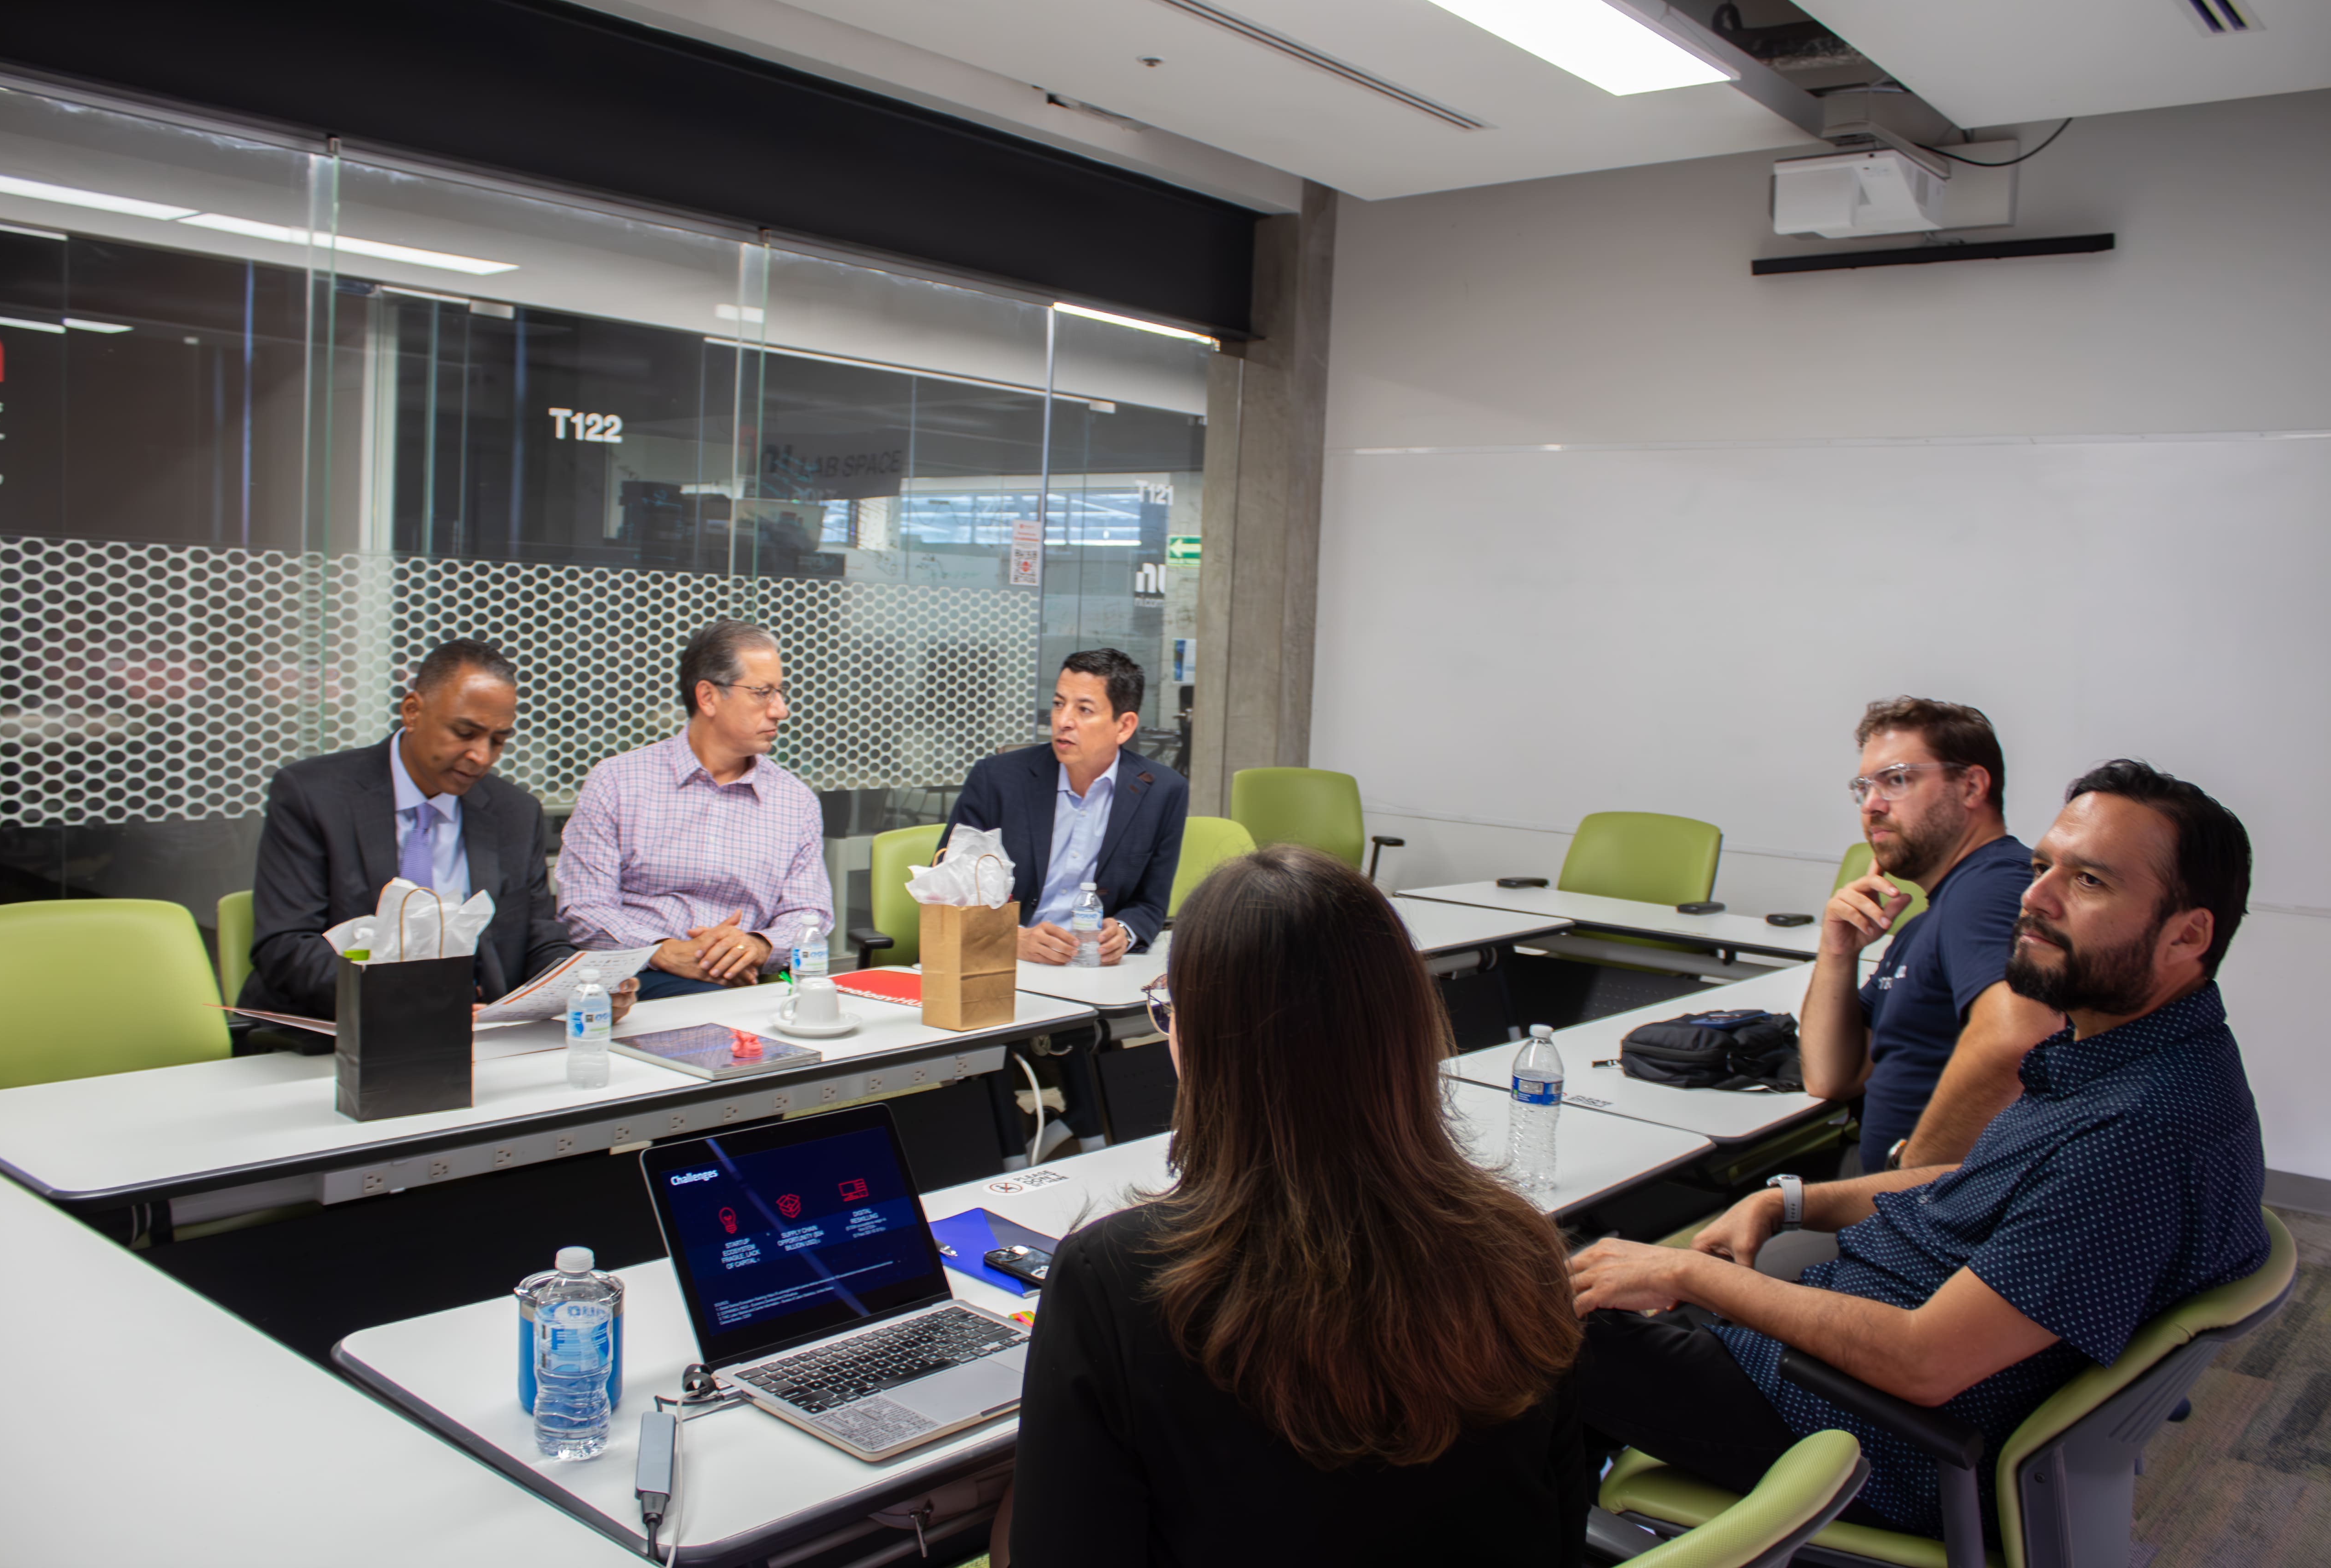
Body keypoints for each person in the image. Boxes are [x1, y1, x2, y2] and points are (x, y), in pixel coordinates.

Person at [1569, 761, 2267, 1540]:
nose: (2034, 898)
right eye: (2041, 867)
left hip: (1870, 1436)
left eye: (2089, 881)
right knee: (1570, 1304)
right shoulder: (2134, 1057)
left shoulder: (2139, 1134)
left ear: (2187, 935)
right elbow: (1986, 1182)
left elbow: (1923, 1362)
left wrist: (1685, 1273)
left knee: (1513, 1322)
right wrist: (1790, 1200)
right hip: (1844, 1370)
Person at [1000, 845, 1588, 1566]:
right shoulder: (1522, 1247)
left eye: (1171, 1009)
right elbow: (1561, 1527)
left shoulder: (1116, 1279)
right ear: (1403, 1025)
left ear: (1206, 1041)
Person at [239, 639, 636, 1031]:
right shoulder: (315, 796)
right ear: (412, 711)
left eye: (498, 741)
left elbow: (537, 939)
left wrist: (584, 987)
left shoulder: (513, 812)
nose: (481, 756)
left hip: (478, 1036)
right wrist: (416, 1000)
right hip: (332, 1033)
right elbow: (286, 947)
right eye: (465, 733)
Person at [1804, 697, 2060, 1171]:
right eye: (1864, 787)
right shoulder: (1932, 915)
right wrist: (1836, 950)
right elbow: (1831, 1077)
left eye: (1897, 780)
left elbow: (2020, 1040)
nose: (1872, 806)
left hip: (1922, 1209)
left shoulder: (1989, 887)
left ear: (1971, 786)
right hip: (1899, 1202)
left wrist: (1909, 1175)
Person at [557, 619, 831, 1000]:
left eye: (780, 692)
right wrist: (663, 952)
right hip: (638, 984)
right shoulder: (618, 781)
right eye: (762, 693)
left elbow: (810, 914)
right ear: (708, 697)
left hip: (742, 986)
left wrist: (757, 946)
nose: (781, 710)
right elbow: (584, 909)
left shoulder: (795, 802)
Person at [945, 647, 1187, 966]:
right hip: (1002, 964)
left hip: (1093, 968)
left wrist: (1124, 932)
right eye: (1059, 704)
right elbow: (949, 893)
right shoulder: (997, 780)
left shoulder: (1163, 792)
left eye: (1084, 710)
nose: (1063, 721)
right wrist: (1010, 937)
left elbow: (1150, 904)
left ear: (1124, 726)